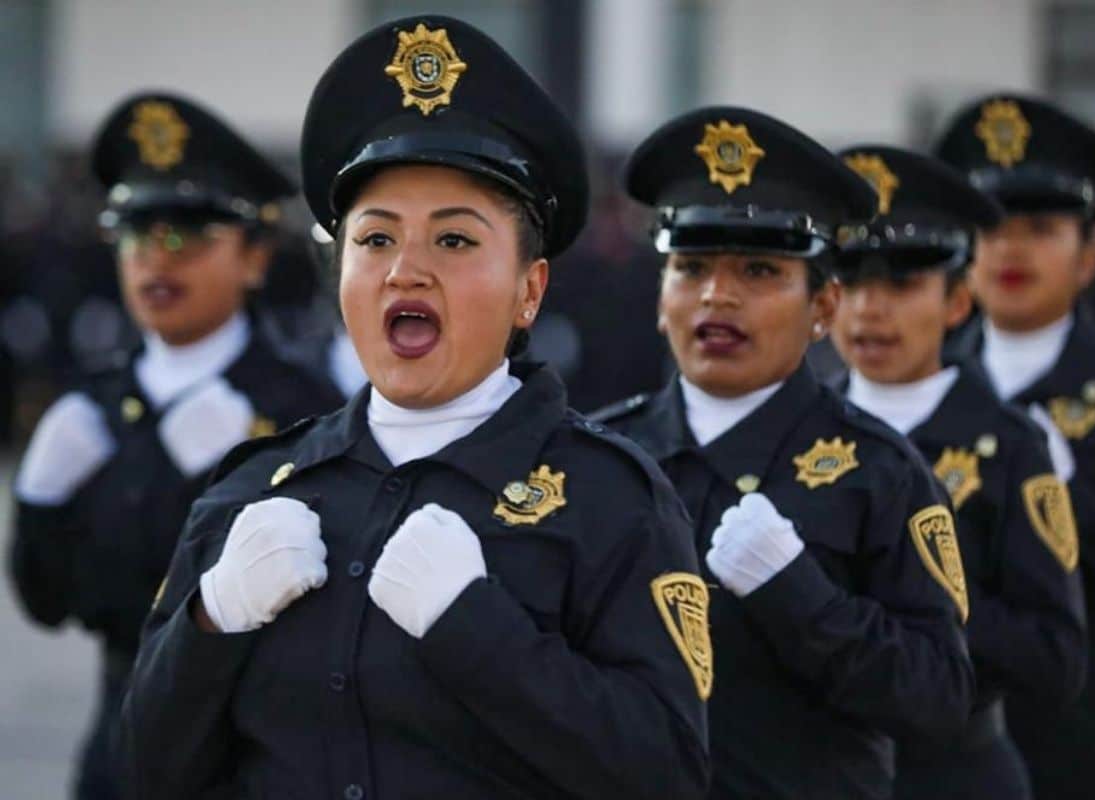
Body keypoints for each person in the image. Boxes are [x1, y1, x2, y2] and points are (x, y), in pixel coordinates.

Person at [121, 16, 709, 800]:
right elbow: (146, 769)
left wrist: (478, 631)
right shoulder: (257, 490)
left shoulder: (612, 500)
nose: (405, 271)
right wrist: (211, 622)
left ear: (528, 290)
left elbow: (666, 775)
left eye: (455, 242)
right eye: (374, 240)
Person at [593, 106, 975, 799]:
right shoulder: (597, 460)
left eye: (760, 270)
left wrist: (801, 598)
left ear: (824, 307)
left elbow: (939, 698)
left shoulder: (880, 473)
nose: (717, 294)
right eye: (691, 266)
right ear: (661, 295)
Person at [7, 92, 344, 800]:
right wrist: (38, 505)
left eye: (189, 234)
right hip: (122, 754)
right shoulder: (93, 407)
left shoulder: (303, 403)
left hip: (256, 758)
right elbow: (49, 604)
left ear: (254, 256)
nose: (157, 259)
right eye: (136, 234)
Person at [937, 93, 1095, 800]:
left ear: (1088, 256)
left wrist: (1069, 495)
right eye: (992, 228)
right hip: (949, 737)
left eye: (1042, 227)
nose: (1012, 248)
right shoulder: (923, 383)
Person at [827, 144, 1087, 799]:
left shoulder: (1011, 445)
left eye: (902, 284)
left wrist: (917, 610)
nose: (869, 310)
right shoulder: (798, 430)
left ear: (957, 301)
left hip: (952, 774)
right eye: (851, 281)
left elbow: (1056, 656)